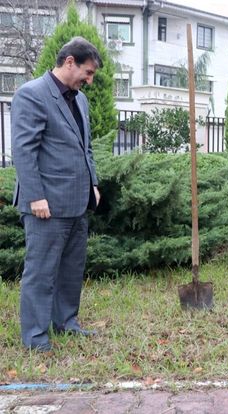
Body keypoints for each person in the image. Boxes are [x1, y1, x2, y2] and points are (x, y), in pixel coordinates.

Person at [11, 37, 102, 352]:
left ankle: (66, 323)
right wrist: (35, 196)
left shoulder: (80, 100)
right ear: (69, 62)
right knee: (41, 271)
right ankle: (35, 337)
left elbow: (85, 147)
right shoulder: (32, 95)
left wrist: (93, 183)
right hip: (46, 205)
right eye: (87, 72)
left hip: (77, 202)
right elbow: (23, 151)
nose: (89, 80)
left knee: (71, 269)